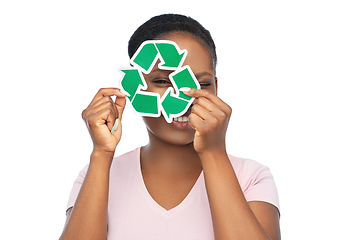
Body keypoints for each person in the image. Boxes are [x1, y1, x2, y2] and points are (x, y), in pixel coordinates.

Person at [59, 14, 281, 240]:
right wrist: (101, 154)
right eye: (163, 82)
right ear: (133, 86)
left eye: (201, 84)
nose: (182, 102)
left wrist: (214, 152)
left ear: (215, 88)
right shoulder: (96, 175)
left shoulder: (251, 177)